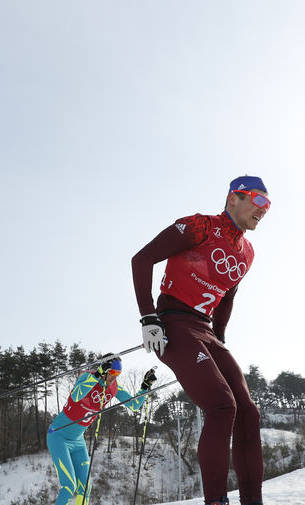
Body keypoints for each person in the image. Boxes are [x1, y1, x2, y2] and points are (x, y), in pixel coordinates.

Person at [131, 175, 270, 505]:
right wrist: (149, 317)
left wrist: (219, 337)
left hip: (205, 330)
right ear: (234, 198)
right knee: (223, 406)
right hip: (173, 321)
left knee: (248, 413)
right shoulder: (198, 227)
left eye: (269, 205)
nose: (264, 210)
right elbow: (142, 259)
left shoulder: (247, 252)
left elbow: (228, 296)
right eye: (259, 200)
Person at [46, 356, 156, 505]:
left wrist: (144, 386)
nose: (114, 378)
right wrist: (97, 375)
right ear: (104, 370)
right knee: (68, 486)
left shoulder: (113, 387)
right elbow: (76, 395)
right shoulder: (88, 376)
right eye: (113, 373)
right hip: (59, 436)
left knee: (85, 489)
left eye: (118, 374)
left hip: (78, 441)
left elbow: (134, 405)